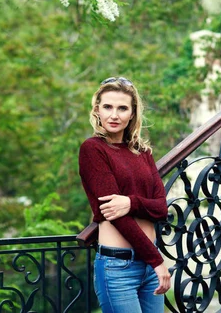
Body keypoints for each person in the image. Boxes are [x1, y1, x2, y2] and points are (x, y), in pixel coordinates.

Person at [79, 76, 171, 313]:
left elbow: (161, 208)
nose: (114, 115)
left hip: (149, 264)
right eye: (107, 107)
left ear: (132, 113)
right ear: (97, 109)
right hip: (118, 267)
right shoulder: (93, 149)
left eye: (122, 108)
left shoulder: (142, 152)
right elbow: (115, 214)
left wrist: (130, 202)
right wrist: (157, 260)